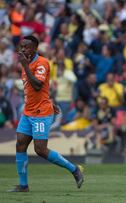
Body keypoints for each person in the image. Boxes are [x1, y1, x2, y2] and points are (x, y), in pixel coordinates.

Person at [8, 36, 84, 192]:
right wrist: (47, 99)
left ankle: (74, 169)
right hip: (28, 111)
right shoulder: (26, 64)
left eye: (27, 47)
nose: (23, 50)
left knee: (40, 149)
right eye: (21, 47)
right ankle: (23, 186)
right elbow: (35, 90)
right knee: (20, 144)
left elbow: (37, 85)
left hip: (41, 113)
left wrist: (25, 66)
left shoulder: (41, 63)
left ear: (35, 48)